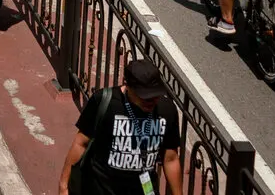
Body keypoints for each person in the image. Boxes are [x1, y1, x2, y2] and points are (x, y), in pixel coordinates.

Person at [56, 57, 183, 195]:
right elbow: (81, 143)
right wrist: (64, 185)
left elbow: (170, 158)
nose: (152, 101)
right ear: (127, 86)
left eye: (156, 95)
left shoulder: (166, 110)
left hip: (145, 189)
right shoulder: (105, 102)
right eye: (145, 97)